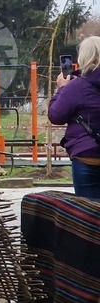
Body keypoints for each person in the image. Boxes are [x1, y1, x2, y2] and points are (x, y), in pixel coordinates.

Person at [48, 36, 100, 198]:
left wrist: (62, 89)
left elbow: (56, 115)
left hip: (86, 157)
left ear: (83, 57)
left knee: (88, 209)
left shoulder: (77, 86)